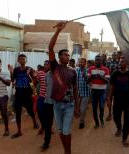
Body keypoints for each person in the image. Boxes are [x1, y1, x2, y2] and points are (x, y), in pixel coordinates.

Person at [48, 21, 79, 154]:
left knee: (67, 130)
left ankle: (68, 151)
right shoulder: (55, 67)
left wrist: (77, 106)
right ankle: (66, 150)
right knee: (61, 131)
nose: (68, 56)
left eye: (68, 55)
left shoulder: (73, 71)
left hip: (69, 105)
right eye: (65, 55)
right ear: (59, 57)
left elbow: (75, 89)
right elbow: (50, 47)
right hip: (56, 104)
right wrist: (58, 31)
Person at [108, 56, 129, 147]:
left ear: (127, 64)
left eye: (123, 62)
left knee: (127, 121)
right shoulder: (115, 74)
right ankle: (119, 127)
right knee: (116, 117)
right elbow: (112, 88)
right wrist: (109, 99)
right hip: (117, 100)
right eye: (120, 62)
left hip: (128, 101)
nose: (121, 63)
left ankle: (124, 138)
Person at [9, 54, 38, 138]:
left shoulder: (30, 69)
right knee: (17, 112)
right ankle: (19, 131)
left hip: (27, 95)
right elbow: (12, 80)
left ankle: (34, 122)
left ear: (26, 60)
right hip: (18, 94)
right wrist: (11, 72)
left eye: (23, 59)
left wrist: (30, 76)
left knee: (30, 111)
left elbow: (34, 83)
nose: (22, 60)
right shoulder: (16, 70)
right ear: (18, 61)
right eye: (20, 59)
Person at [88, 55, 110, 128]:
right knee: (94, 108)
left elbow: (107, 81)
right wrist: (91, 77)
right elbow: (87, 81)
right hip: (94, 91)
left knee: (101, 107)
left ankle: (101, 119)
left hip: (102, 91)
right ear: (94, 60)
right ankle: (96, 123)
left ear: (102, 61)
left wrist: (100, 77)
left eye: (99, 60)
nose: (97, 61)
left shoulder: (105, 69)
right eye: (96, 60)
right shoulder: (91, 68)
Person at [34, 60, 51, 135]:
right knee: (39, 112)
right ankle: (43, 126)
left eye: (47, 64)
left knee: (49, 114)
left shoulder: (53, 73)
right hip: (41, 96)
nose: (45, 66)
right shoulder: (40, 73)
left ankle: (48, 127)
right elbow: (35, 83)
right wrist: (34, 76)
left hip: (50, 98)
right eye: (44, 64)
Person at [40, 69, 55, 151]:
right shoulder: (47, 75)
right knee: (47, 122)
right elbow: (46, 86)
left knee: (61, 124)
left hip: (59, 103)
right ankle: (46, 142)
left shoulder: (62, 73)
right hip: (48, 101)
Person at [76, 58, 91, 129]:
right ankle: (78, 116)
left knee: (83, 109)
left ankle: (81, 122)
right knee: (77, 108)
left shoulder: (88, 71)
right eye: (80, 62)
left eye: (82, 62)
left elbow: (90, 83)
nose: (81, 63)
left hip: (86, 93)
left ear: (85, 63)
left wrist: (86, 77)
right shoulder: (76, 70)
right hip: (78, 93)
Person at [106, 52, 119, 121]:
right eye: (113, 55)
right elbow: (107, 71)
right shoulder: (108, 63)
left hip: (117, 82)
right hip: (110, 82)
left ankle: (115, 112)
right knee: (109, 97)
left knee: (117, 98)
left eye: (115, 55)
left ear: (117, 56)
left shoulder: (119, 63)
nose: (114, 56)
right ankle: (109, 113)